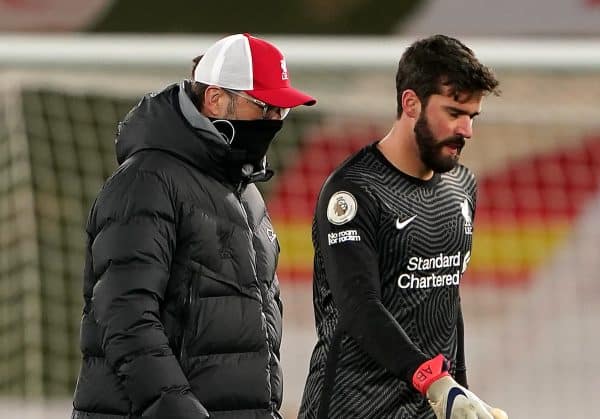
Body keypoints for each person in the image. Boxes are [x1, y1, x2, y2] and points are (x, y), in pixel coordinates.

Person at [71, 33, 316, 419]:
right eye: (264, 108)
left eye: (280, 112)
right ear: (216, 99)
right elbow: (124, 313)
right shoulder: (147, 180)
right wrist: (178, 409)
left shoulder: (246, 192)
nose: (273, 122)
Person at [299, 34, 507, 419]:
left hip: (428, 406)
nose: (467, 130)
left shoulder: (462, 187)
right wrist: (434, 381)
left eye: (471, 117)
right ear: (411, 103)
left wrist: (459, 391)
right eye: (454, 113)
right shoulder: (353, 190)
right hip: (353, 407)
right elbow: (359, 308)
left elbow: (447, 300)